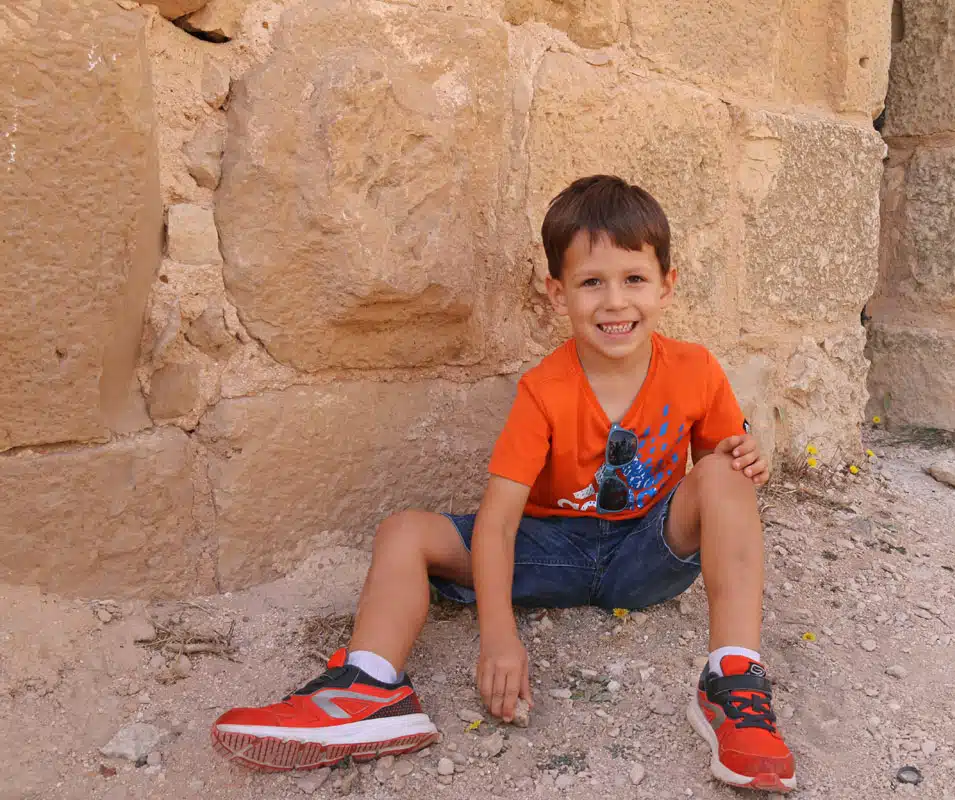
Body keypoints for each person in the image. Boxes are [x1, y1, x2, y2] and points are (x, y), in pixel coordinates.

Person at [211, 175, 797, 792]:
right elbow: (497, 522)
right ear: (556, 292)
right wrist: (498, 639)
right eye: (591, 282)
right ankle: (369, 687)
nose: (615, 302)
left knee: (725, 474)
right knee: (405, 532)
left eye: (634, 279)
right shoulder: (544, 390)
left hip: (646, 554)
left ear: (666, 286)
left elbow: (718, 471)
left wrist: (744, 456)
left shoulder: (697, 369)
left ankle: (733, 680)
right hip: (552, 552)